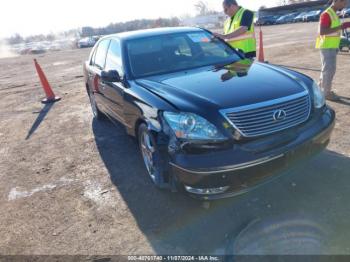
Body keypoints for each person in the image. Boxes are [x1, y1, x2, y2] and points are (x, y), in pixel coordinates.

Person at [316, 0, 350, 101]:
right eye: (343, 3)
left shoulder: (333, 13)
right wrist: (341, 26)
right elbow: (323, 31)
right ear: (336, 1)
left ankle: (320, 88)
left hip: (331, 45)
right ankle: (326, 93)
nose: (344, 6)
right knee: (329, 70)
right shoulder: (327, 14)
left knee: (326, 69)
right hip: (327, 46)